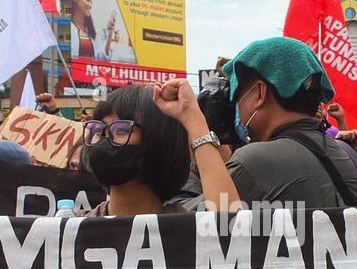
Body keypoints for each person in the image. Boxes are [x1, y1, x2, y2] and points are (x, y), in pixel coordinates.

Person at [203, 37, 357, 210]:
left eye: (238, 97)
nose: (237, 107)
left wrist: (196, 126)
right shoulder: (346, 153)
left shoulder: (254, 161)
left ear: (259, 93)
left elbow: (196, 221)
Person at [81, 81, 240, 217]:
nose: (105, 138)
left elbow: (230, 229)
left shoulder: (185, 228)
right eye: (97, 130)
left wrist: (193, 118)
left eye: (122, 129)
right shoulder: (71, 232)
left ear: (157, 141)